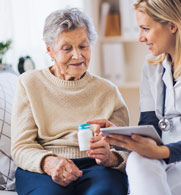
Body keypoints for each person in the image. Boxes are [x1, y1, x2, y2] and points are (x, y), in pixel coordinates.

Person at [88, 0, 181, 194]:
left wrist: (159, 152)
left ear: (172, 25)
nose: (140, 38)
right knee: (137, 159)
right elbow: (150, 127)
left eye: (145, 28)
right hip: (170, 157)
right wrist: (120, 136)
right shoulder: (152, 66)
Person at [11, 8, 129, 195]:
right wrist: (48, 162)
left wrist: (111, 158)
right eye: (67, 48)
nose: (77, 55)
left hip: (97, 166)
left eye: (83, 46)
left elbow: (125, 149)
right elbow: (21, 146)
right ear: (50, 50)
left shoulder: (108, 91)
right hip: (45, 166)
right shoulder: (29, 84)